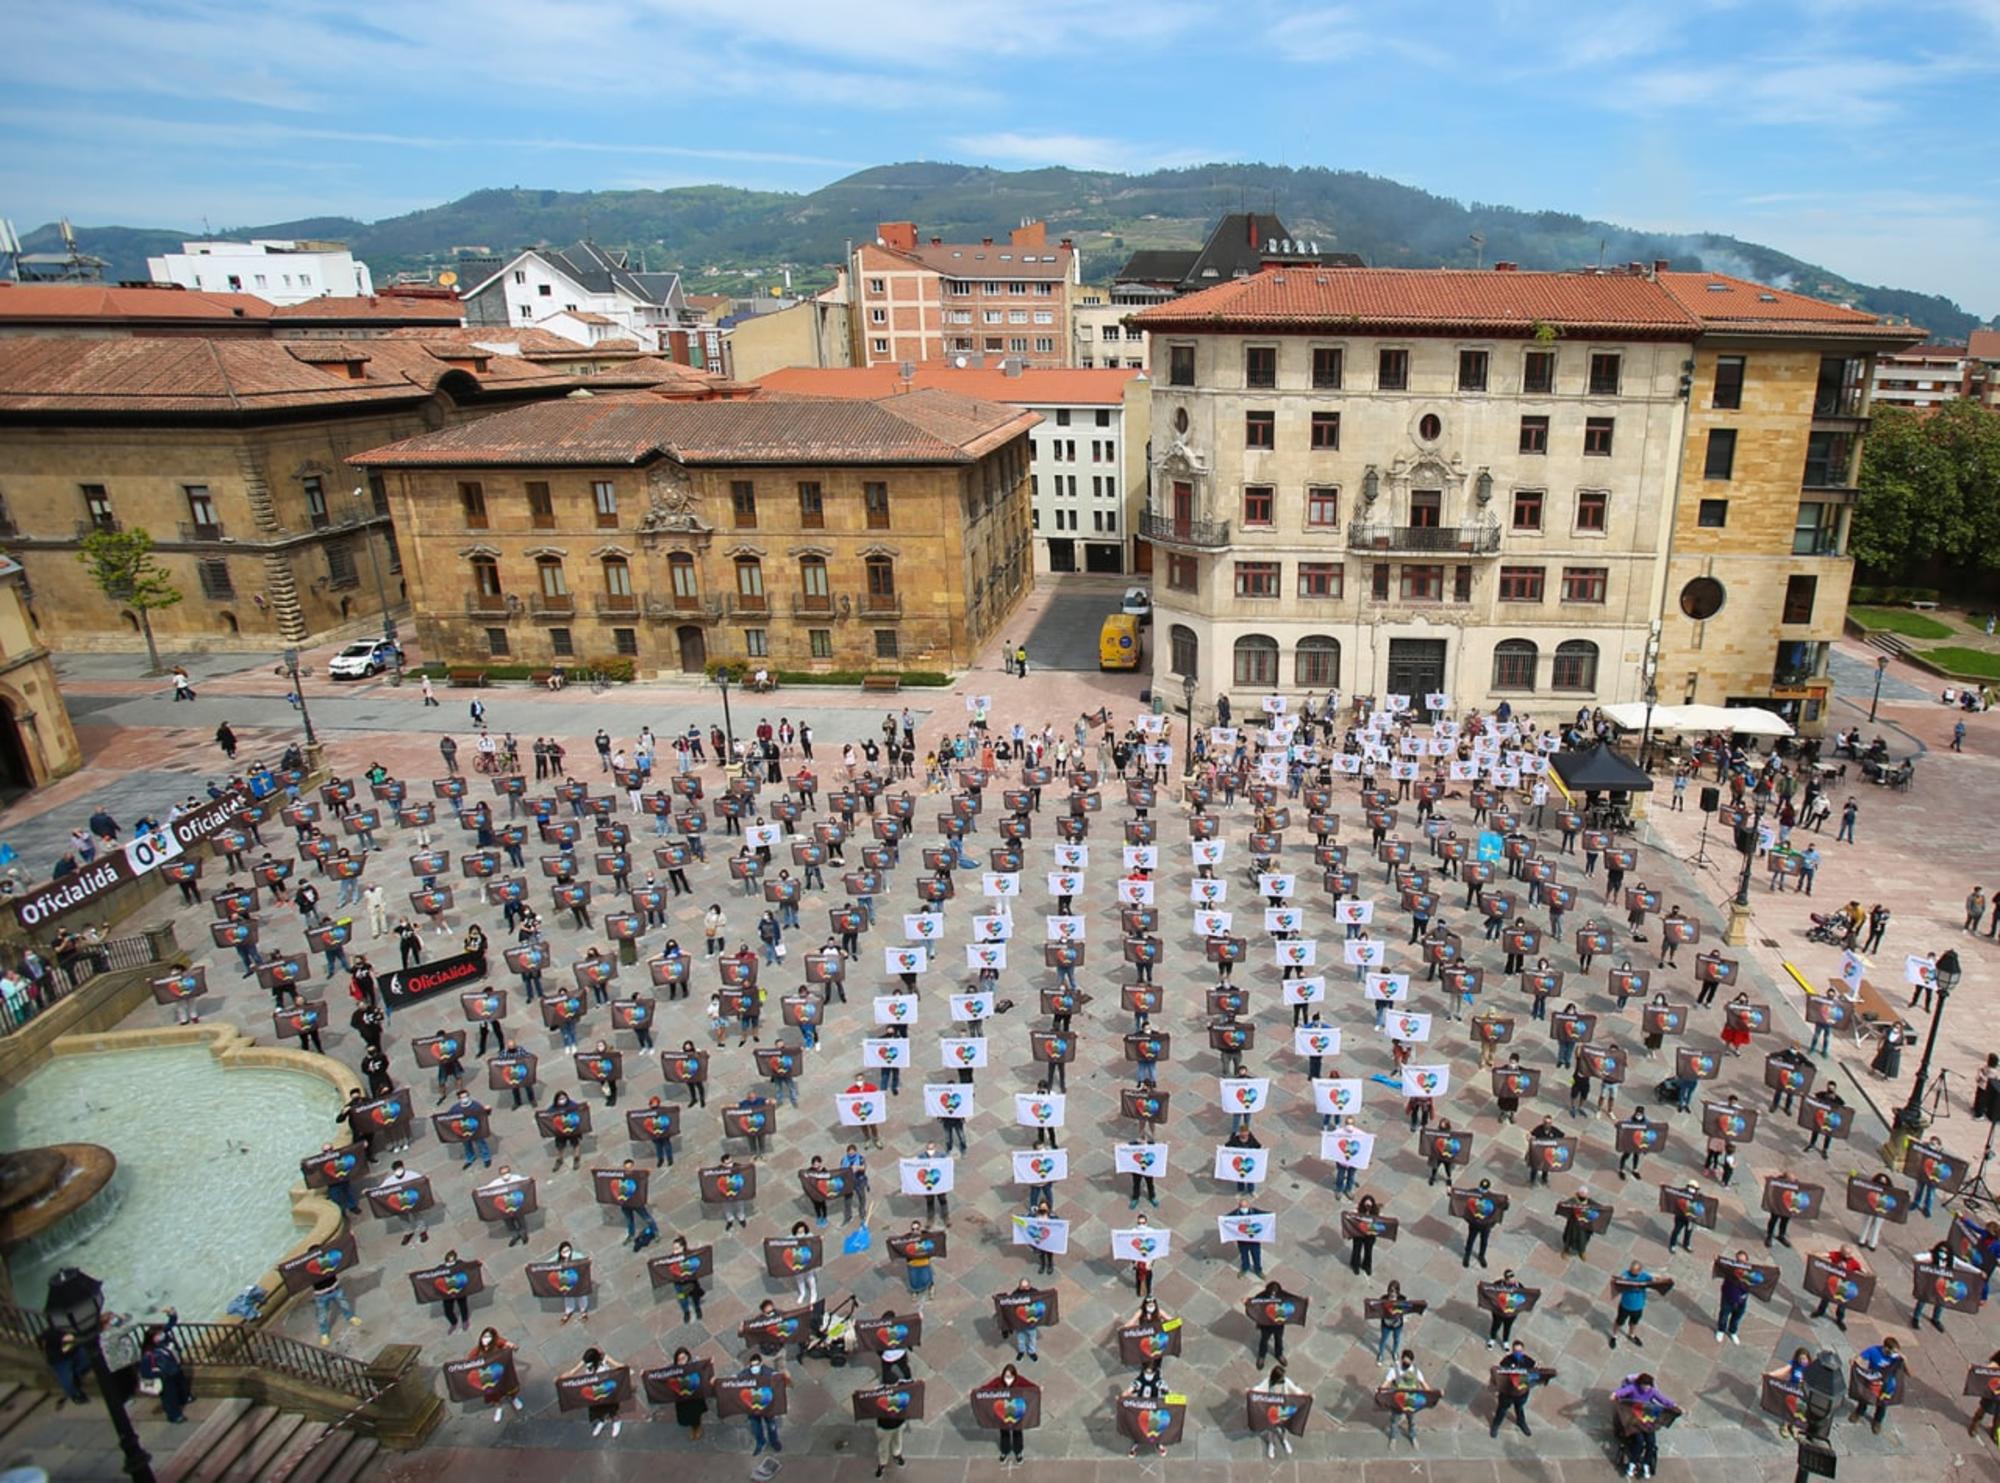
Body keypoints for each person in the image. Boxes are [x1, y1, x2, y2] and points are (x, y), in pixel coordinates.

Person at [1612, 1372, 1676, 1477]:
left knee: (1651, 1442)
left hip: (1646, 1418)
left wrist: (1673, 1405)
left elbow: (1663, 1399)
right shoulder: (1633, 1388)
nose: (1646, 1388)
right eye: (1644, 1386)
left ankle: (1646, 1463)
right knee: (1639, 1441)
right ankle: (1632, 1462)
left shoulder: (1652, 1391)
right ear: (1640, 1384)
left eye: (1648, 1386)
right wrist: (1615, 1394)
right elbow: (1622, 1392)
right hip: (1634, 1418)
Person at [137, 1309, 193, 1423]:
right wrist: (158, 1374)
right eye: (158, 1334)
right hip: (164, 1376)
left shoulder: (163, 1341)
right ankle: (174, 1415)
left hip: (174, 1369)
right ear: (152, 1338)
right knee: (169, 1397)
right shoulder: (149, 1354)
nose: (162, 1335)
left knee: (181, 1386)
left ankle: (185, 1398)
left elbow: (170, 1324)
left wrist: (172, 1314)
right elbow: (145, 1371)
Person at [467, 1327, 523, 1422]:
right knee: (493, 1393)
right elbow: (469, 1361)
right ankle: (498, 1407)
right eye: (484, 1336)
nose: (486, 1339)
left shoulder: (497, 1343)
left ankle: (514, 1399)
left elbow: (507, 1344)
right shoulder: (476, 1350)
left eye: (489, 1337)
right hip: (488, 1375)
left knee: (509, 1386)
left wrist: (511, 1346)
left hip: (501, 1371)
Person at [566, 1346, 622, 1439]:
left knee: (611, 1408)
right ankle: (602, 1421)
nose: (586, 1364)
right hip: (594, 1390)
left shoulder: (604, 1359)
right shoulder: (587, 1361)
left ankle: (616, 1422)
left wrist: (626, 1369)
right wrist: (560, 1379)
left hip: (606, 1389)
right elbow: (572, 1371)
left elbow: (618, 1365)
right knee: (597, 1409)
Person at [1851, 1337, 1903, 1433]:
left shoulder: (1897, 1358)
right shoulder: (1874, 1351)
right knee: (1864, 1398)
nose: (1893, 1354)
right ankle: (1859, 1412)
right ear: (1886, 1348)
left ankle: (1877, 1421)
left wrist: (1905, 1360)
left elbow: (1910, 1373)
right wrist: (1856, 1362)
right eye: (1892, 1351)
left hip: (1887, 1386)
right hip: (1873, 1381)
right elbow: (1861, 1357)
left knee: (1882, 1405)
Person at [1490, 1339, 1539, 1438]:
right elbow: (1500, 1375)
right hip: (1507, 1394)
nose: (1518, 1353)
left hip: (1521, 1393)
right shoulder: (1506, 1361)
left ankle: (1521, 1422)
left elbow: (1536, 1374)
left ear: (1523, 1351)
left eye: (1520, 1351)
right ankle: (1496, 1425)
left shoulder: (1528, 1361)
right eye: (1516, 1351)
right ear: (1512, 1351)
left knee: (1519, 1409)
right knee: (1502, 1410)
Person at [311, 1251, 361, 1345]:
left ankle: (350, 1317)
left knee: (344, 1304)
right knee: (322, 1315)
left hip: (335, 1289)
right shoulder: (311, 1269)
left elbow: (341, 1251)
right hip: (321, 1295)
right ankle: (324, 1333)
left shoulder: (329, 1261)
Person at [1382, 1348, 1428, 1444]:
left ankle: (1413, 1436)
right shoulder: (1394, 1370)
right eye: (1404, 1362)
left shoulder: (1416, 1371)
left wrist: (1434, 1393)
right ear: (1401, 1359)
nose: (1406, 1364)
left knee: (1411, 1420)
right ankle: (1393, 1437)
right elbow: (1387, 1382)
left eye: (1408, 1363)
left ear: (1412, 1362)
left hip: (1410, 1400)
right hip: (1397, 1401)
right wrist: (1380, 1390)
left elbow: (1424, 1384)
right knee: (1394, 1421)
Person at [1259, 1363, 1304, 1457]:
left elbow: (1295, 1390)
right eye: (1281, 1377)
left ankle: (1284, 1440)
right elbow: (1259, 1389)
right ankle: (1271, 1444)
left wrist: (1306, 1395)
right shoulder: (1268, 1383)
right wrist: (1250, 1391)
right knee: (1271, 1429)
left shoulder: (1286, 1382)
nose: (1284, 1378)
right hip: (1272, 1410)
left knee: (1284, 1427)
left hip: (1284, 1408)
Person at [1609, 1261, 1654, 1349]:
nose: (1632, 1275)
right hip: (1625, 1306)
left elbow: (1654, 1281)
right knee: (1619, 1322)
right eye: (1631, 1272)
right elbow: (1621, 1279)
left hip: (1638, 1307)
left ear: (1640, 1271)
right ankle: (1614, 1336)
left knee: (1634, 1322)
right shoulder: (1626, 1274)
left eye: (1634, 1274)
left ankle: (1631, 1335)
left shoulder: (1645, 1276)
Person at [992, 1363, 1029, 1467]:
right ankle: (1005, 1450)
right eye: (1006, 1376)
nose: (1008, 1379)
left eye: (1010, 1377)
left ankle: (1018, 1452)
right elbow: (987, 1388)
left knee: (1017, 1432)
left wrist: (1038, 1388)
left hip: (1016, 1410)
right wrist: (975, 1391)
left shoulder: (1019, 1380)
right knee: (1004, 1433)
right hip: (1003, 1410)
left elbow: (1030, 1386)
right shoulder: (998, 1381)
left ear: (1014, 1376)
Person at [1253, 1280, 1289, 1363]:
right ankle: (1261, 1356)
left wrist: (1305, 1300)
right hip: (1266, 1324)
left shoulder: (1282, 1294)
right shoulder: (1262, 1296)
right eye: (1271, 1293)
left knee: (1279, 1339)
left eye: (1275, 1293)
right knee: (1264, 1340)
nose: (1273, 1295)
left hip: (1278, 1323)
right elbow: (1254, 1303)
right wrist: (1246, 1301)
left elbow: (1293, 1299)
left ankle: (1279, 1354)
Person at [1374, 1280, 1410, 1361]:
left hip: (1397, 1325)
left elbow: (1406, 1309)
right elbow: (1379, 1309)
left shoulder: (1402, 1299)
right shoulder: (1384, 1299)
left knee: (1396, 1339)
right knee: (1383, 1339)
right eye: (1390, 1290)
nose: (1391, 1293)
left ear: (1397, 1291)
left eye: (1393, 1291)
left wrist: (1404, 1316)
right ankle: (1380, 1354)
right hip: (1386, 1325)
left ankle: (1394, 1352)